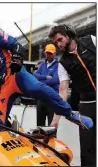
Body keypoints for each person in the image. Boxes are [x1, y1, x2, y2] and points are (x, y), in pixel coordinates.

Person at [49, 24, 96, 166]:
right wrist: (55, 120)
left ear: (68, 35)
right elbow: (63, 90)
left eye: (60, 39)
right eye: (56, 42)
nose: (58, 44)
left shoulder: (91, 40)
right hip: (87, 105)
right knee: (87, 149)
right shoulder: (62, 63)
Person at [33, 44, 59, 126]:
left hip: (52, 99)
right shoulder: (43, 65)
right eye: (47, 53)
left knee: (51, 127)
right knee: (39, 127)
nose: (48, 55)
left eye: (50, 53)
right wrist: (45, 77)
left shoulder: (59, 65)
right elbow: (35, 75)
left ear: (54, 53)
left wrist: (40, 82)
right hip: (41, 99)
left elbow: (55, 80)